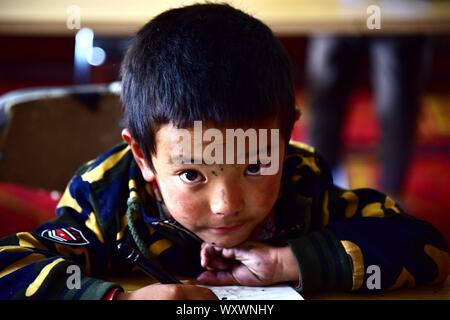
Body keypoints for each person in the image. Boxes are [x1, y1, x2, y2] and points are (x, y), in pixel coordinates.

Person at [0, 4, 447, 300]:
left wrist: (288, 260)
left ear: (287, 137)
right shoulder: (107, 200)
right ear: (143, 158)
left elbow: (425, 245)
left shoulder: (301, 182)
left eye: (255, 165)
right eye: (193, 174)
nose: (227, 205)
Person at [306, 35, 432, 196]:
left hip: (395, 20)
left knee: (396, 95)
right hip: (337, 17)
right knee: (325, 84)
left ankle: (391, 197)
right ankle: (320, 189)